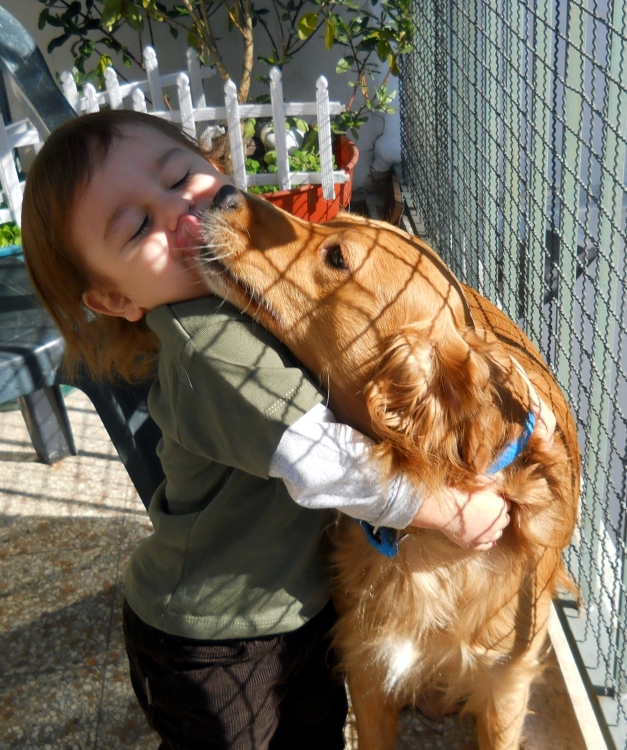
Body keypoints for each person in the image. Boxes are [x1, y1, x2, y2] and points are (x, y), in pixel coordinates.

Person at [21, 110, 552, 750]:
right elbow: (325, 463)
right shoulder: (209, 349)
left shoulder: (234, 288)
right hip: (215, 636)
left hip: (289, 608)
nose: (182, 214)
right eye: (138, 228)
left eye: (180, 176)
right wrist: (445, 509)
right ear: (115, 301)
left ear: (214, 167)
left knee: (313, 729)